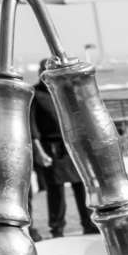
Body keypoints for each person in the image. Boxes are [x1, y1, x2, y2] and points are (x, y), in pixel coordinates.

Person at [29, 74, 87, 238]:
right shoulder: (35, 93)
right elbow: (32, 125)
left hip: (70, 145)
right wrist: (39, 151)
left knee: (81, 186)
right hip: (50, 147)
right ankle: (57, 228)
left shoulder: (64, 91)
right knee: (55, 191)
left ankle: (88, 223)